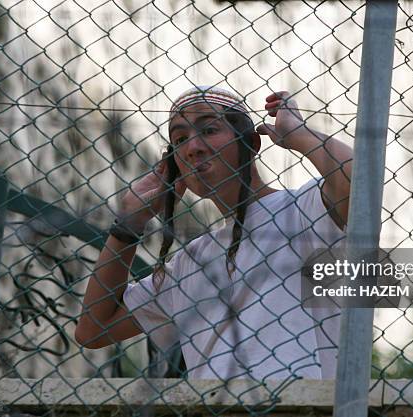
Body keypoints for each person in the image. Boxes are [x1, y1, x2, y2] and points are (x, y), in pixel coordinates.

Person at [75, 86, 353, 380]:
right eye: (180, 139)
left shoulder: (304, 211)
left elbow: (361, 180)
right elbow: (93, 329)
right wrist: (128, 224)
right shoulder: (189, 262)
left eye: (209, 130)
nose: (193, 147)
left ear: (249, 142)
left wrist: (298, 134)